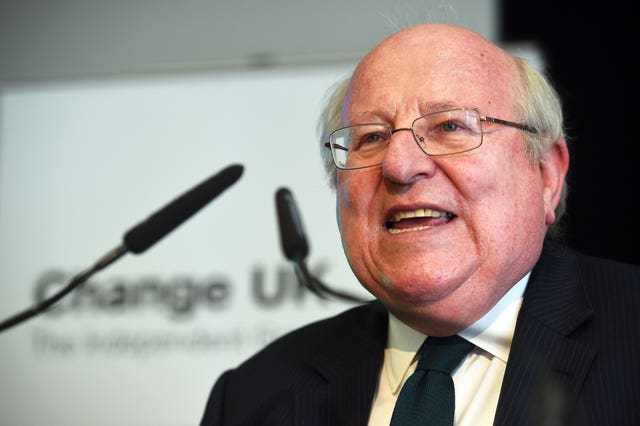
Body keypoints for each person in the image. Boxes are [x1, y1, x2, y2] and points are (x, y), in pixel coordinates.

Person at [200, 23, 640, 425]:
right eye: (371, 137)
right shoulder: (252, 396)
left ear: (546, 174)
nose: (399, 164)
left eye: (450, 125)